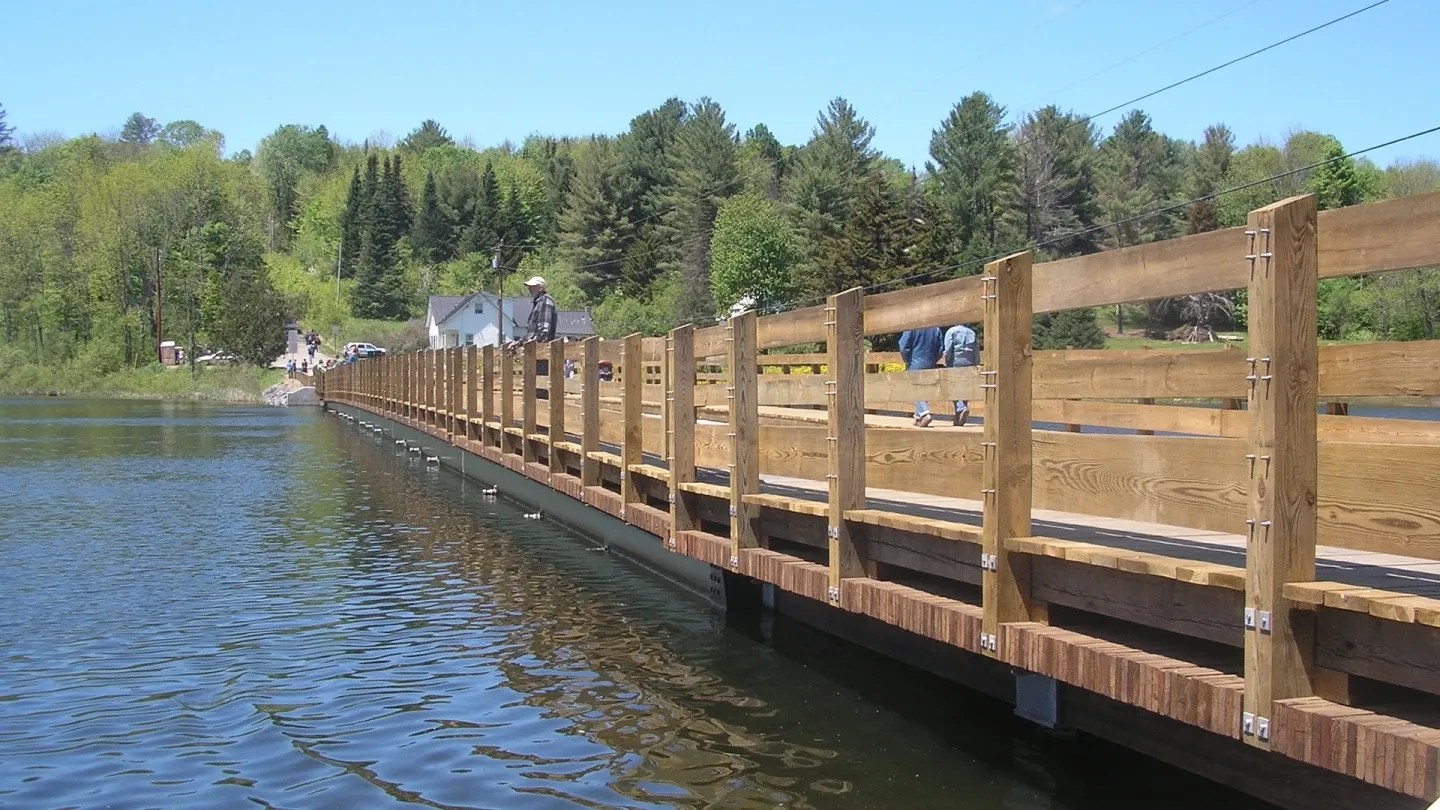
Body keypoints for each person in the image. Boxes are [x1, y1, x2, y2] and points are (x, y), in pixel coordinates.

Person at [898, 326, 943, 427]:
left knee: (913, 389)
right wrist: (934, 359)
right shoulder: (936, 328)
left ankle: (925, 413)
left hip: (915, 361)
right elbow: (940, 349)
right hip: (930, 362)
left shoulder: (912, 326)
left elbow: (903, 346)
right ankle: (918, 417)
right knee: (925, 389)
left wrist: (906, 359)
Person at [942, 323, 978, 426]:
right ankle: (959, 417)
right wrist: (976, 363)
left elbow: (948, 348)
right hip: (969, 362)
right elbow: (976, 350)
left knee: (952, 388)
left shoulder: (951, 331)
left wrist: (946, 360)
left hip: (955, 361)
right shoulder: (971, 332)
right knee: (965, 388)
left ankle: (961, 408)